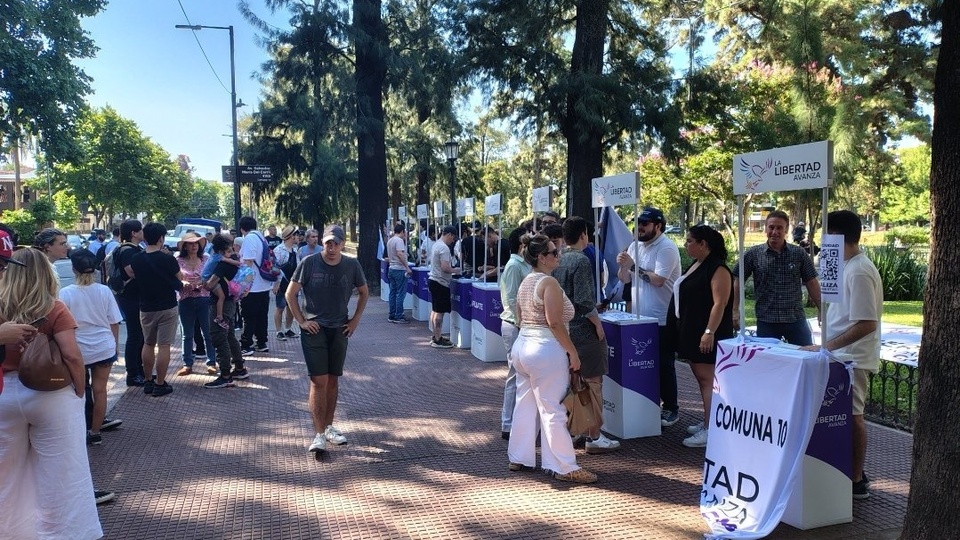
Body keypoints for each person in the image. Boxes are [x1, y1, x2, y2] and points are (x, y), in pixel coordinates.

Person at [0, 245, 104, 539]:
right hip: (51, 393)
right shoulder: (54, 307)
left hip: (4, 391)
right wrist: (79, 391)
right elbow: (71, 355)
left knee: (6, 475)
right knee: (63, 475)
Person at [800, 210, 882, 500]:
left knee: (854, 415)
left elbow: (867, 322)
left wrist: (828, 347)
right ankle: (847, 471)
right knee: (844, 415)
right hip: (838, 356)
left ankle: (857, 479)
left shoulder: (860, 270)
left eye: (825, 233)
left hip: (852, 359)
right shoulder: (844, 265)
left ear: (837, 235)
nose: (821, 240)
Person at [508, 233, 597, 483]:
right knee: (553, 409)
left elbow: (518, 314)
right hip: (545, 348)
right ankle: (564, 466)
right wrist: (572, 351)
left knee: (525, 403)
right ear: (542, 258)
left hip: (523, 344)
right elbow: (555, 322)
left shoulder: (527, 280)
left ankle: (519, 456)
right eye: (553, 252)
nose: (558, 255)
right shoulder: (549, 284)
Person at [285, 224, 368, 453]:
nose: (331, 248)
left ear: (342, 244)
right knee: (318, 381)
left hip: (340, 329)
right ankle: (319, 433)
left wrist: (355, 320)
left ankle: (329, 427)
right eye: (328, 243)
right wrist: (301, 321)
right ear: (322, 242)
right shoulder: (309, 263)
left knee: (333, 380)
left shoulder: (351, 265)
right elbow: (290, 293)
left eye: (336, 244)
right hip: (314, 329)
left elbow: (364, 291)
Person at [553, 216, 620, 453]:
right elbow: (583, 300)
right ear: (584, 235)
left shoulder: (558, 260)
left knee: (574, 383)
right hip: (584, 331)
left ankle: (577, 431)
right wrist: (597, 323)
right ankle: (595, 435)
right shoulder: (580, 261)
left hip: (566, 332)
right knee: (593, 384)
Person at [615, 207, 683, 427]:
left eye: (645, 223)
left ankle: (672, 408)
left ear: (658, 226)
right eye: (638, 223)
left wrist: (634, 266)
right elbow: (625, 279)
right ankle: (648, 403)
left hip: (661, 317)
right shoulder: (635, 246)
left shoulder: (666, 248)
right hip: (638, 316)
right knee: (642, 363)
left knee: (664, 364)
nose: (640, 227)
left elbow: (659, 280)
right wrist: (623, 266)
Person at [667, 225, 734, 448]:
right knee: (702, 378)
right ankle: (708, 420)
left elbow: (720, 303)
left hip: (706, 332)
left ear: (703, 244)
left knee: (708, 380)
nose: (685, 245)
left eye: (689, 241)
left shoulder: (718, 269)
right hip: (690, 329)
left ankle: (711, 428)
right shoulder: (698, 264)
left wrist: (709, 332)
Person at [58, 248, 123, 445]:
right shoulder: (104, 291)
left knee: (78, 390)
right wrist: (114, 346)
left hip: (78, 349)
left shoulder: (65, 293)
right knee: (100, 390)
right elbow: (114, 321)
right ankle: (95, 432)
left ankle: (78, 430)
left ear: (73, 269)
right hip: (103, 347)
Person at [732, 210, 822, 346]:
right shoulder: (752, 254)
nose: (775, 232)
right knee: (768, 363)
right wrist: (734, 310)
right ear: (765, 229)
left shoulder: (799, 254)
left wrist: (821, 308)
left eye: (779, 228)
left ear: (786, 230)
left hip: (795, 319)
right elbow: (737, 281)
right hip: (767, 320)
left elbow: (812, 282)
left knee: (806, 356)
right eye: (771, 227)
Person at [130, 222, 183, 397]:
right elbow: (180, 278)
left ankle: (147, 381)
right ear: (161, 238)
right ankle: (160, 383)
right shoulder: (168, 259)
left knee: (148, 343)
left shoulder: (136, 259)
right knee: (164, 345)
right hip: (167, 305)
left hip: (145, 306)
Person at [203, 233, 249, 388]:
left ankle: (225, 374)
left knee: (218, 336)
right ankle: (239, 368)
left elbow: (210, 284)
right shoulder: (234, 260)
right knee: (229, 336)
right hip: (231, 302)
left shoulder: (222, 264)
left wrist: (203, 284)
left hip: (219, 304)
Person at [498, 227, 531, 440]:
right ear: (521, 245)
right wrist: (521, 323)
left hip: (519, 325)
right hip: (515, 325)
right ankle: (508, 423)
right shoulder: (513, 266)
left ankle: (513, 422)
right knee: (515, 375)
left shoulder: (520, 264)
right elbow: (510, 299)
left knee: (520, 374)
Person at [175, 232, 217, 376]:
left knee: (208, 332)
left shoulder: (206, 258)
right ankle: (187, 363)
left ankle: (211, 362)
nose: (194, 246)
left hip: (204, 298)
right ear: (185, 246)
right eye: (190, 243)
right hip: (185, 299)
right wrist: (183, 283)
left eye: (196, 243)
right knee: (187, 334)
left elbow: (214, 276)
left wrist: (203, 282)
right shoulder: (177, 259)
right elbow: (174, 278)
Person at [115, 219, 147, 386]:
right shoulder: (127, 250)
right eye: (140, 230)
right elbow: (131, 272)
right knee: (135, 335)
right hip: (130, 297)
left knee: (139, 335)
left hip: (134, 296)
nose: (143, 232)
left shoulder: (133, 249)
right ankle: (132, 373)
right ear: (134, 233)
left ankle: (139, 370)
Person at [238, 216, 273, 355]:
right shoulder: (261, 238)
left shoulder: (249, 238)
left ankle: (246, 344)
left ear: (242, 229)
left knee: (249, 316)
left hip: (253, 287)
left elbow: (248, 263)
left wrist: (243, 286)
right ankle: (261, 342)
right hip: (264, 284)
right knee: (261, 315)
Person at [428, 225, 462, 348]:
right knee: (439, 312)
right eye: (452, 239)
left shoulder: (436, 244)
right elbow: (445, 267)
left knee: (435, 310)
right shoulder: (444, 248)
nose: (452, 242)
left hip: (434, 280)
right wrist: (457, 270)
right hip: (440, 282)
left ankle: (436, 335)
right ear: (449, 235)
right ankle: (438, 339)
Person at [273, 225, 300, 339]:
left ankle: (288, 329)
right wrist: (276, 284)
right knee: (280, 307)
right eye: (297, 235)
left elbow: (298, 266)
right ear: (291, 237)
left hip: (293, 283)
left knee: (291, 307)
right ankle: (279, 331)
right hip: (282, 283)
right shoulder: (278, 250)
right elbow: (275, 268)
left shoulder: (295, 250)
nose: (299, 237)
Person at [386, 222, 412, 323]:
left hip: (391, 268)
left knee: (392, 292)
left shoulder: (390, 240)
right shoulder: (399, 241)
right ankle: (399, 315)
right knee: (400, 293)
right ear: (402, 231)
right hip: (399, 269)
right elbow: (400, 254)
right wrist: (407, 267)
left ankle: (392, 314)